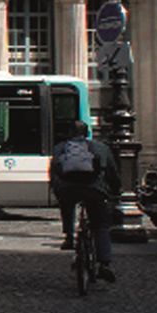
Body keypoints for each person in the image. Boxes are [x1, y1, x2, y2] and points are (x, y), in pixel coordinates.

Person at [50, 120, 119, 281]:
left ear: (69, 133)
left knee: (67, 206)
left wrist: (56, 189)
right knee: (101, 225)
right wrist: (115, 191)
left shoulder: (60, 148)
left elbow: (54, 171)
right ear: (87, 133)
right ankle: (104, 264)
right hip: (94, 190)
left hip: (67, 189)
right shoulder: (101, 148)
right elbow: (112, 173)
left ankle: (68, 236)